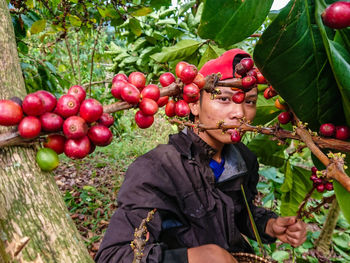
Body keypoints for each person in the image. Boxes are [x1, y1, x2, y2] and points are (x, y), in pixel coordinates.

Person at [95, 49, 307, 263]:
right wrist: (193, 257)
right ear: (194, 103)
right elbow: (113, 256)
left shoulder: (244, 159)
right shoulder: (156, 169)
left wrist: (268, 225)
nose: (240, 113)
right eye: (224, 99)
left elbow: (239, 213)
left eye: (249, 101)